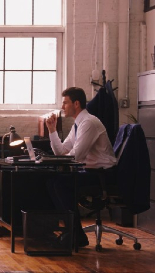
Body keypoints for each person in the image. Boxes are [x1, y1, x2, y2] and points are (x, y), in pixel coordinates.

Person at [45, 87, 117, 247]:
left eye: (65, 103)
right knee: (52, 182)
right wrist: (52, 131)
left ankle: (76, 235)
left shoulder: (88, 123)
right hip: (91, 171)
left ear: (76, 103)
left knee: (60, 184)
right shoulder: (78, 124)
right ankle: (74, 233)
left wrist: (62, 158)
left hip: (102, 175)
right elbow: (62, 151)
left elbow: (75, 157)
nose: (63, 107)